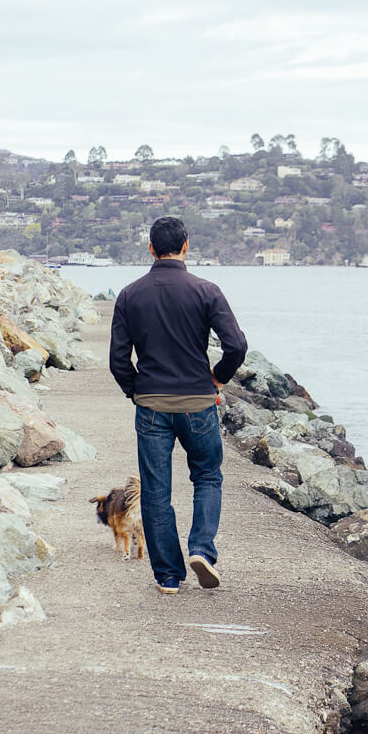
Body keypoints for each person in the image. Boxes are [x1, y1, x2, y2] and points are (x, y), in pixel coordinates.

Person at [109, 216, 247, 594]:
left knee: (155, 490)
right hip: (198, 403)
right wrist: (217, 378)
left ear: (151, 249)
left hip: (151, 403)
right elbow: (236, 345)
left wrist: (135, 390)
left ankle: (168, 576)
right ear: (186, 247)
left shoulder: (129, 294)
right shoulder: (206, 290)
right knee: (207, 476)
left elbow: (118, 361)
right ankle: (201, 548)